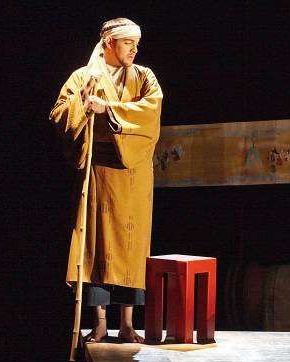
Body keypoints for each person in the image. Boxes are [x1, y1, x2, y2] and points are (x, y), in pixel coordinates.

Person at [50, 18, 163, 343]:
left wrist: (108, 108)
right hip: (96, 168)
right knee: (96, 247)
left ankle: (127, 323)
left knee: (130, 247)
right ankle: (99, 323)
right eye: (129, 43)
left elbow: (150, 111)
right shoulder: (83, 76)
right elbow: (59, 113)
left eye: (136, 44)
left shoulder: (144, 76)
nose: (134, 50)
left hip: (132, 171)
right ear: (110, 42)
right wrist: (81, 106)